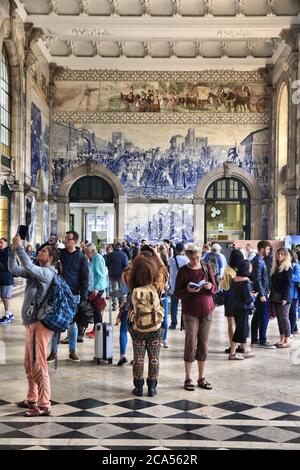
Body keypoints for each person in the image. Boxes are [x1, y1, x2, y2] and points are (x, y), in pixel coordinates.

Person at [8, 234, 60, 416]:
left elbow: (28, 266)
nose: (39, 251)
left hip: (40, 325)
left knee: (39, 364)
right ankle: (32, 398)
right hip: (31, 324)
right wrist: (12, 250)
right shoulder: (36, 272)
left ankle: (44, 404)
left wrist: (20, 247)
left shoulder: (48, 273)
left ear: (51, 258)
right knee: (29, 364)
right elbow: (14, 268)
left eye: (43, 251)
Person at [123, 247, 168, 397]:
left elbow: (126, 271)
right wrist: (155, 254)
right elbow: (164, 269)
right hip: (156, 326)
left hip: (137, 326)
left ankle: (138, 387)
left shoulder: (132, 283)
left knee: (138, 358)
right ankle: (153, 387)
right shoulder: (157, 282)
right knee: (154, 358)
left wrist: (137, 258)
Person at [175, 244, 217, 391]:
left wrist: (210, 287)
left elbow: (215, 288)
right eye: (192, 258)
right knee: (190, 344)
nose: (195, 261)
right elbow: (177, 293)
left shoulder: (207, 268)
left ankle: (201, 377)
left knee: (203, 344)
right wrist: (187, 290)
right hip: (190, 312)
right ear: (188, 257)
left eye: (198, 257)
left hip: (207, 311)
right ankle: (187, 378)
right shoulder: (183, 271)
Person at [47, 231, 89, 363]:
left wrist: (84, 296)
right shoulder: (60, 254)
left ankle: (72, 351)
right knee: (56, 323)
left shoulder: (81, 257)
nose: (65, 240)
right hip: (59, 294)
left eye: (68, 238)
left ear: (74, 241)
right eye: (65, 238)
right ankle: (53, 352)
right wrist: (50, 242)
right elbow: (45, 254)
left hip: (74, 295)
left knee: (72, 324)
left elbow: (85, 278)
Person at [227, 260, 256, 360]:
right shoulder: (246, 281)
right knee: (240, 330)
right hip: (243, 308)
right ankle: (232, 353)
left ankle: (245, 349)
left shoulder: (234, 279)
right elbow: (248, 298)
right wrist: (253, 297)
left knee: (242, 329)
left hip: (235, 307)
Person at [250, 240, 274, 348]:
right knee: (264, 316)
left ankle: (255, 339)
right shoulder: (258, 261)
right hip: (261, 293)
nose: (269, 251)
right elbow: (257, 279)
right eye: (268, 249)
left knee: (258, 315)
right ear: (262, 249)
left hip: (262, 292)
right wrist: (261, 294)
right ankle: (262, 340)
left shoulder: (260, 260)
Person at [220, 249, 245, 353]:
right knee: (241, 323)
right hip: (241, 299)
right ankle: (242, 346)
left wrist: (220, 282)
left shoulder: (228, 270)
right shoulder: (242, 269)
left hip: (230, 299)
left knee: (231, 324)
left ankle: (232, 347)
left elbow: (225, 287)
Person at [270, 248, 292, 348]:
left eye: (282, 254)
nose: (280, 256)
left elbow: (288, 285)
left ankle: (287, 340)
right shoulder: (275, 267)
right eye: (278, 253)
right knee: (279, 319)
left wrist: (285, 298)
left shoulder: (287, 268)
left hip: (284, 298)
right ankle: (282, 339)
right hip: (275, 296)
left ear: (286, 256)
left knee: (284, 318)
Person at [84, 243, 107, 338]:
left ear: (92, 251)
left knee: (97, 310)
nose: (86, 254)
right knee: (95, 310)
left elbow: (101, 275)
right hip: (93, 288)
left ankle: (98, 331)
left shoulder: (97, 258)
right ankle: (96, 329)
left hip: (97, 289)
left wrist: (96, 288)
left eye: (87, 252)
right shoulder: (93, 259)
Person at [168, 242, 189, 330]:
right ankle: (184, 324)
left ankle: (173, 323)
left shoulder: (172, 260)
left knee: (174, 306)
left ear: (176, 250)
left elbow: (169, 271)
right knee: (184, 305)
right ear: (183, 250)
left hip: (174, 286)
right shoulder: (186, 260)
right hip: (184, 286)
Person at [106, 242, 129, 311]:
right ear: (121, 247)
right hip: (121, 274)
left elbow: (107, 264)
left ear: (115, 248)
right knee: (121, 289)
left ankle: (114, 305)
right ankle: (121, 303)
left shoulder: (110, 255)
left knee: (114, 289)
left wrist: (111, 268)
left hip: (112, 273)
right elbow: (126, 265)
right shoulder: (124, 255)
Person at [0, 238, 14, 324]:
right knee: (3, 296)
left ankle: (8, 314)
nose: (0, 244)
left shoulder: (8, 252)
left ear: (6, 243)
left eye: (1, 243)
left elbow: (10, 266)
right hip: (1, 278)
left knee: (5, 297)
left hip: (7, 278)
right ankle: (9, 313)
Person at [288, 250, 300, 335]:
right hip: (285, 293)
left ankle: (291, 332)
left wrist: (288, 275)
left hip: (293, 294)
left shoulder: (296, 266)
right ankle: (294, 328)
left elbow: (298, 278)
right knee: (288, 313)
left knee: (291, 313)